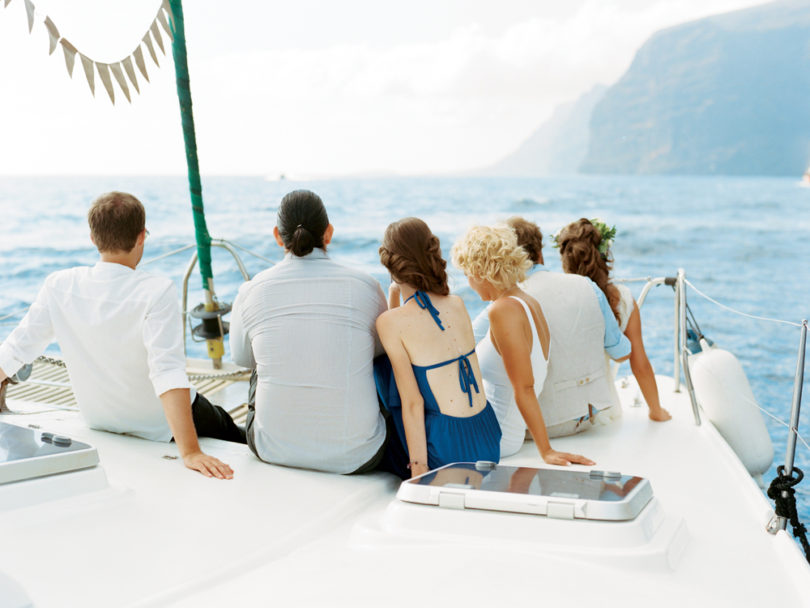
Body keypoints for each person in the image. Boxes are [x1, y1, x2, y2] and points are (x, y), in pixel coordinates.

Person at [0, 191, 238, 479]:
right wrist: (190, 452)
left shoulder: (59, 285)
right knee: (228, 425)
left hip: (100, 420)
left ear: (92, 238)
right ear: (141, 237)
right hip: (160, 426)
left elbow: (14, 351)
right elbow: (168, 374)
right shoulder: (156, 291)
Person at [229, 190, 398, 475]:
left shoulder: (251, 290)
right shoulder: (365, 286)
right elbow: (382, 351)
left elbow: (242, 358)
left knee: (260, 355)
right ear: (328, 233)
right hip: (359, 455)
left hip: (272, 449)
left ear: (277, 236)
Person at [472, 217, 633, 444]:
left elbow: (465, 346)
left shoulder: (508, 301)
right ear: (540, 251)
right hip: (588, 417)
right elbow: (622, 352)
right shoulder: (587, 286)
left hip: (539, 426)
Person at [452, 224, 594, 466]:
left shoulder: (503, 310)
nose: (468, 282)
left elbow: (525, 387)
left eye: (467, 273)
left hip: (495, 437)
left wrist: (546, 450)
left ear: (480, 271)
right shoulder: (528, 302)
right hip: (503, 431)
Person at [373, 218, 501, 479]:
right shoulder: (456, 302)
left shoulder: (389, 322)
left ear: (390, 264)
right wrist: (396, 295)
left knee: (382, 367)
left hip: (448, 452)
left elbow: (412, 403)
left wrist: (419, 470)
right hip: (488, 438)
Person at [557, 218, 671, 422]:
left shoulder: (552, 296)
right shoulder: (623, 299)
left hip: (556, 409)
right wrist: (656, 410)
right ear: (603, 255)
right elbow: (640, 363)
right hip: (601, 410)